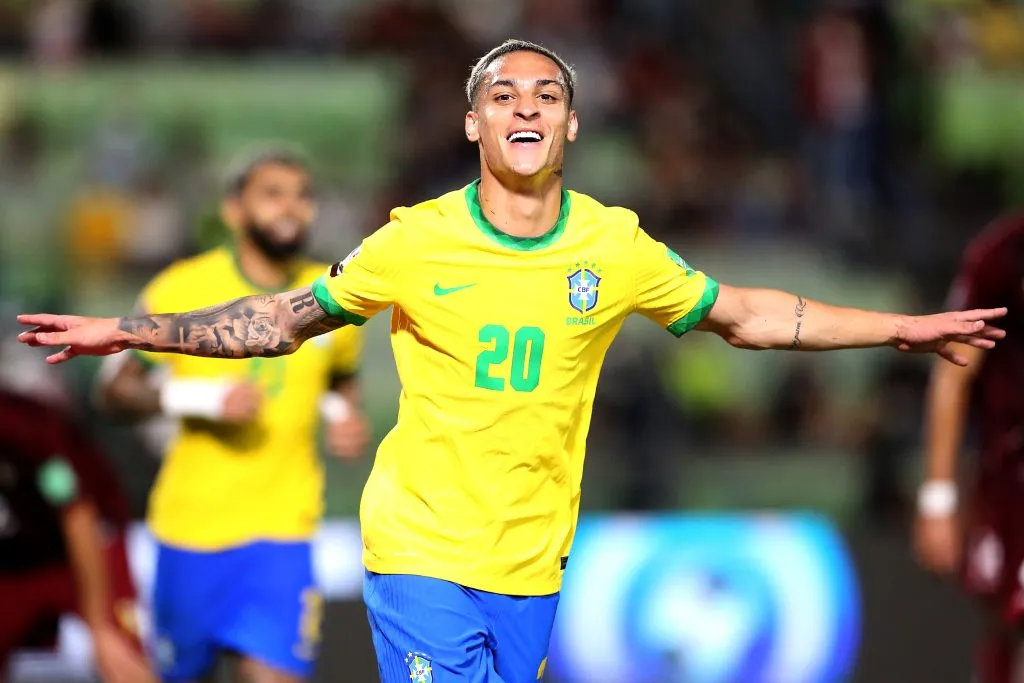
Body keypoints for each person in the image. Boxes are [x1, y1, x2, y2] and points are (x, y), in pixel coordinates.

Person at [17, 40, 1007, 683]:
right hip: (420, 549)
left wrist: (902, 328)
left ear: (571, 124)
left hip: (532, 559)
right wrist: (132, 329)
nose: (524, 104)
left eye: (546, 93)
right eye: (502, 93)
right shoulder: (414, 240)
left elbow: (746, 314)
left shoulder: (613, 245)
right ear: (472, 123)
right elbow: (282, 319)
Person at [92, 147, 369, 683]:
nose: (291, 208)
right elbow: (112, 393)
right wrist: (196, 401)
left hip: (283, 537)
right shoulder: (183, 287)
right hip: (190, 534)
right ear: (234, 210)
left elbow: (340, 379)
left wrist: (344, 417)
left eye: (302, 196)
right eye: (273, 194)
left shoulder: (330, 292)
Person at [915, 214, 1024, 683]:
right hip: (1012, 482)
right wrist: (937, 497)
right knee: (1007, 619)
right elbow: (954, 373)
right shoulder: (1003, 254)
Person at [0, 386, 154, 683]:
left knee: (119, 654)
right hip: (12, 561)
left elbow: (77, 515)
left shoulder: (23, 425)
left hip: (84, 546)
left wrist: (99, 625)